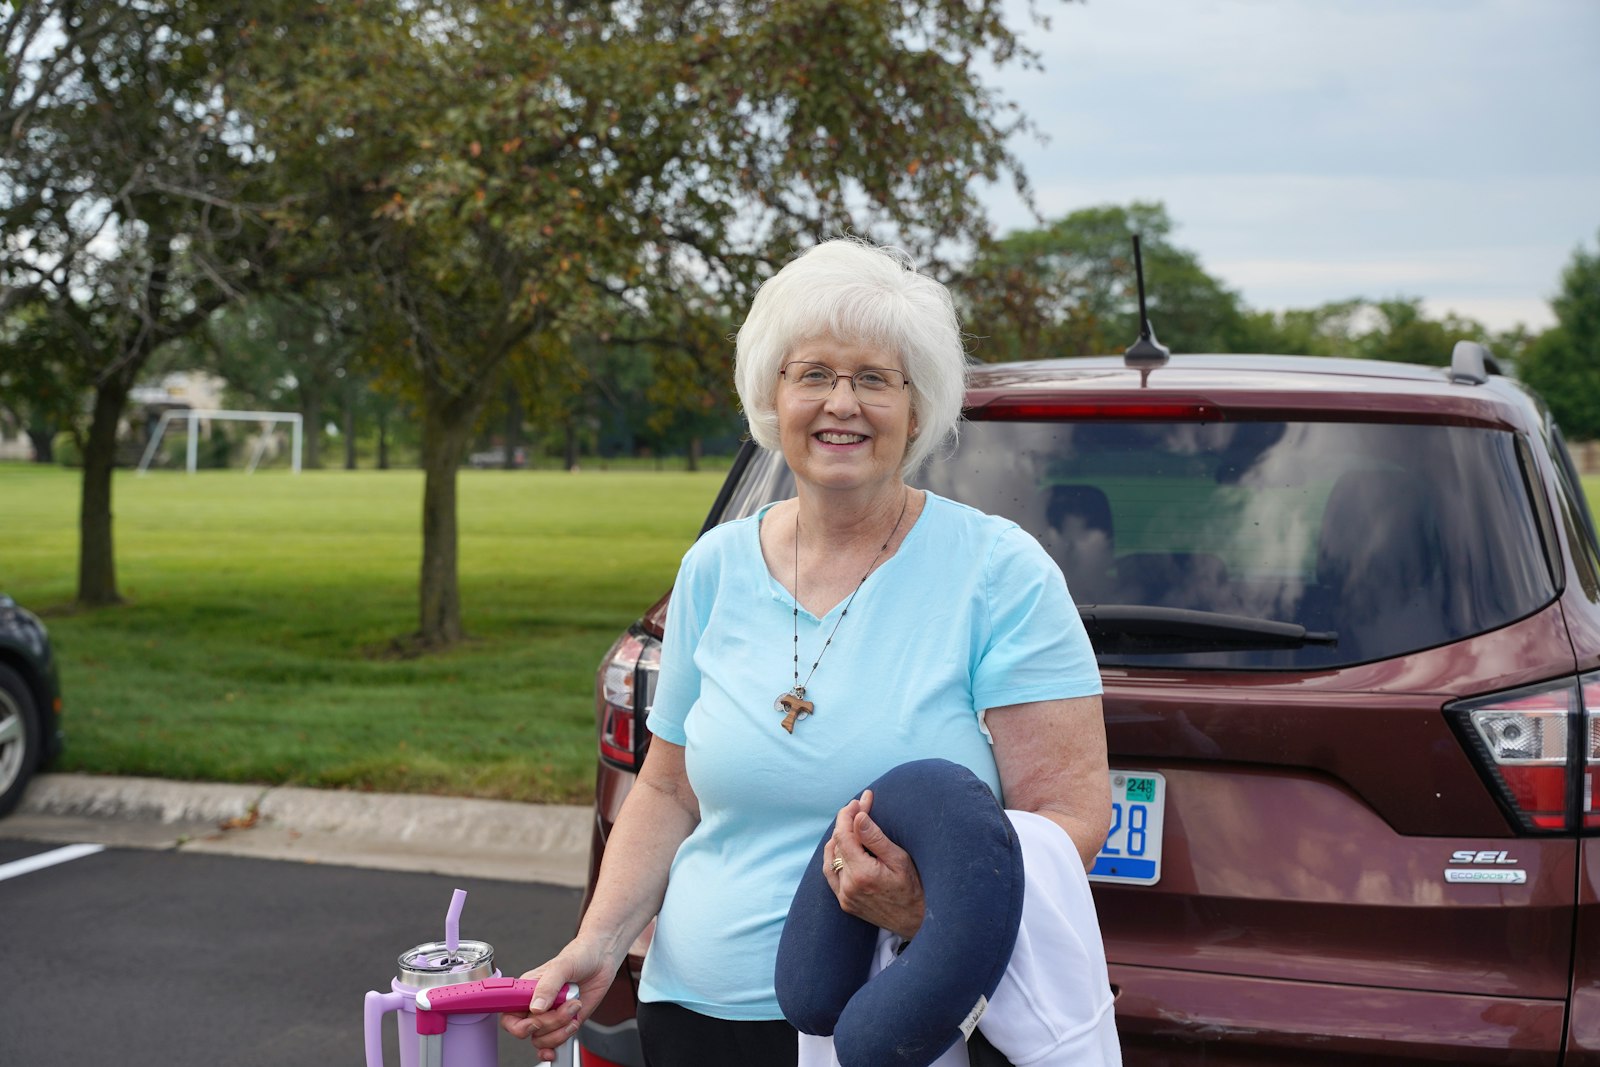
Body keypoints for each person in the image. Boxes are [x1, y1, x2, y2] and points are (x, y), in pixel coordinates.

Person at [503, 237, 1111, 1066]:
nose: (842, 404)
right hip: (693, 1011)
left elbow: (1069, 819)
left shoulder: (999, 574)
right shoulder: (714, 566)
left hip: (891, 1018)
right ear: (773, 395)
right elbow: (669, 785)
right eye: (814, 374)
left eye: (873, 378)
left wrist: (930, 911)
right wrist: (600, 941)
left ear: (918, 404)